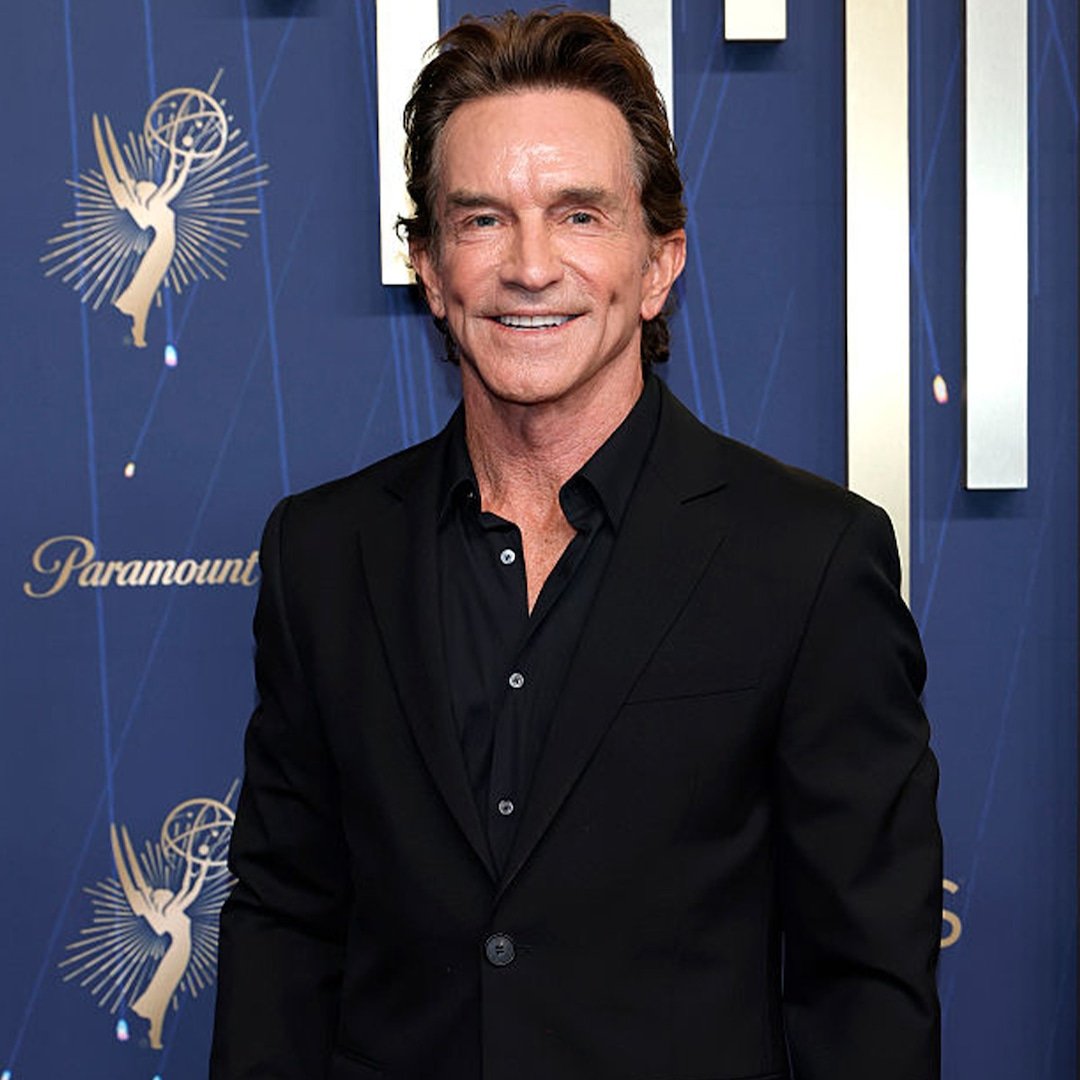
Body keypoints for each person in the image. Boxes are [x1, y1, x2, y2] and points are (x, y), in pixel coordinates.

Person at [210, 11, 942, 1079]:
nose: (530, 266)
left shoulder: (809, 559)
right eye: (482, 220)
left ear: (658, 264)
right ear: (429, 267)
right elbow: (286, 922)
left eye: (580, 215)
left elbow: (864, 980)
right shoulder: (322, 553)